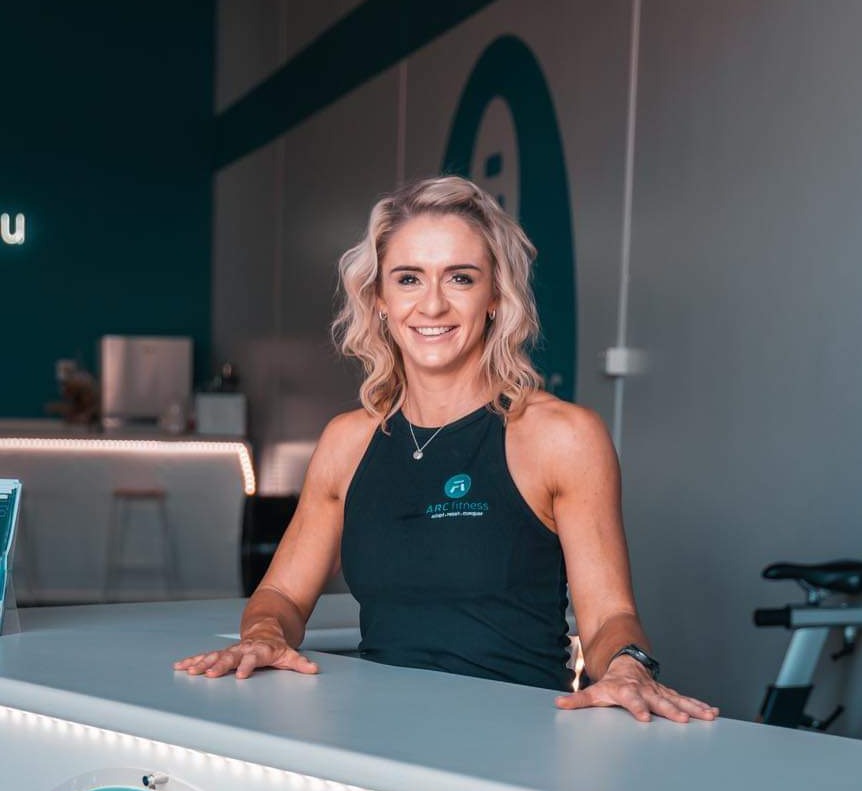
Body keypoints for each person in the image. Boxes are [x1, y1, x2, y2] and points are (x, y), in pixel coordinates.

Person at [175, 176, 718, 723]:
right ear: (380, 300)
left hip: (518, 747)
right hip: (375, 739)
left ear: (495, 298)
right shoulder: (348, 441)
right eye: (408, 279)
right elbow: (282, 596)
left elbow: (607, 617)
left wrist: (627, 666)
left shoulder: (560, 436)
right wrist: (265, 636)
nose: (432, 304)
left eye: (460, 278)